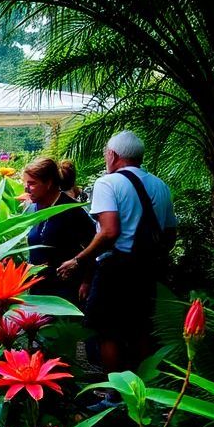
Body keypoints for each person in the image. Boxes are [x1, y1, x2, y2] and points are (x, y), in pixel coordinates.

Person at [57, 131, 177, 371]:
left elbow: (109, 232)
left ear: (112, 155)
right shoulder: (160, 185)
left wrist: (78, 260)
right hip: (149, 268)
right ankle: (144, 391)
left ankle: (113, 395)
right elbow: (170, 236)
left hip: (116, 269)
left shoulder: (108, 182)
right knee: (141, 328)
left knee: (107, 331)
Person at [22, 158, 95, 305]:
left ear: (48, 183)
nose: (26, 189)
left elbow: (93, 244)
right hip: (38, 290)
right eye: (25, 183)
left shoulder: (72, 210)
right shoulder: (32, 209)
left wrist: (87, 281)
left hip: (65, 292)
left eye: (32, 184)